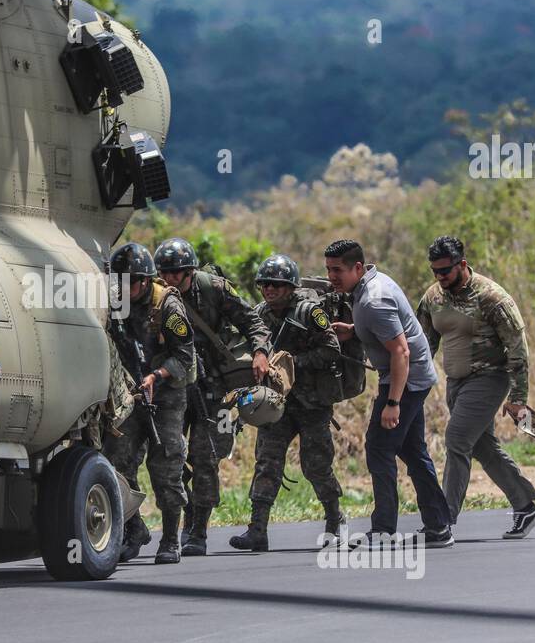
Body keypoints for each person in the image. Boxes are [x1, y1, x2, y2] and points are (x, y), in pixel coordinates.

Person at [323, 239, 453, 547]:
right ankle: (438, 526)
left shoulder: (373, 300)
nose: (331, 277)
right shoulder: (370, 286)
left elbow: (401, 352)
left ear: (358, 268)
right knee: (412, 452)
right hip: (411, 376)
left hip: (405, 379)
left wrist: (393, 402)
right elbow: (392, 333)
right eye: (328, 269)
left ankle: (383, 531)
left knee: (379, 449)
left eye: (337, 270)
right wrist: (355, 330)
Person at [416, 236, 535, 538]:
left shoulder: (492, 298)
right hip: (456, 383)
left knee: (457, 439)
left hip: (489, 379)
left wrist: (518, 398)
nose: (440, 277)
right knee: (483, 448)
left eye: (445, 270)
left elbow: (518, 349)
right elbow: (423, 343)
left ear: (462, 264)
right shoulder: (434, 296)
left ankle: (443, 521)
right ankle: (525, 505)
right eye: (435, 271)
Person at [154, 238, 271, 556]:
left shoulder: (214, 288)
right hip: (176, 387)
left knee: (205, 460)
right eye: (164, 272)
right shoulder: (156, 297)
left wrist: (260, 351)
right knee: (169, 461)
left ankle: (199, 532)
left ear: (190, 271)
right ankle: (187, 513)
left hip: (214, 388)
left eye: (176, 273)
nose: (169, 279)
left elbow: (252, 321)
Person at [231, 254, 349, 552]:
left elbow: (332, 349)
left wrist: (293, 363)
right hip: (275, 405)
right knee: (267, 463)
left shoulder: (311, 312)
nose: (269, 290)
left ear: (290, 287)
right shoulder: (259, 315)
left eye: (276, 285)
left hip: (312, 404)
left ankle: (335, 520)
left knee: (316, 465)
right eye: (264, 285)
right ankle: (257, 530)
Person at [103, 242, 196, 564]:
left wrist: (157, 375)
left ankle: (170, 540)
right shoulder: (114, 303)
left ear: (144, 281)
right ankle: (135, 529)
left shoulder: (168, 307)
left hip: (166, 397)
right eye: (118, 281)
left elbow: (186, 356)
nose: (122, 288)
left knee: (166, 468)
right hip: (130, 395)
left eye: (129, 282)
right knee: (115, 463)